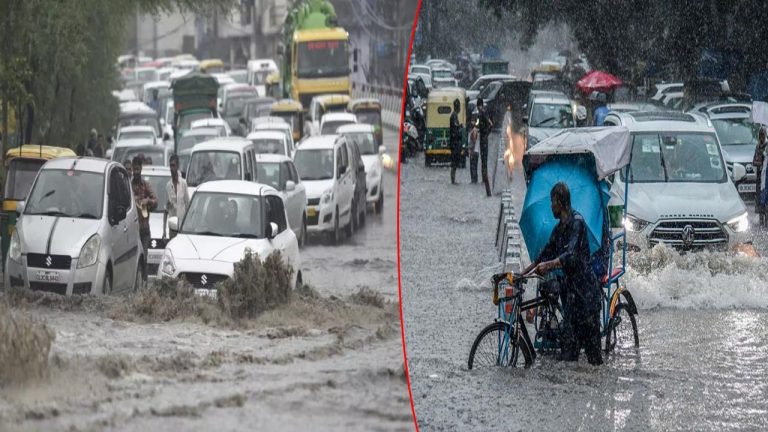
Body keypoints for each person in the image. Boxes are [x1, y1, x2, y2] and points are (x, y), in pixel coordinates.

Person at [522, 182, 603, 366]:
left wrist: (549, 265)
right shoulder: (559, 229)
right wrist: (523, 274)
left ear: (560, 202)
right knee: (568, 357)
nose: (551, 206)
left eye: (552, 202)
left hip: (586, 297)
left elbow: (571, 255)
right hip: (571, 299)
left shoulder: (578, 224)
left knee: (594, 360)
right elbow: (543, 255)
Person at [131, 155, 158, 280]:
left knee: (144, 259)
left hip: (144, 230)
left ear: (141, 169)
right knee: (133, 260)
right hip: (131, 231)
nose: (136, 172)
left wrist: (147, 201)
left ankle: (144, 286)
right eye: (134, 169)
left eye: (137, 169)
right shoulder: (129, 185)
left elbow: (155, 200)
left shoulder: (145, 185)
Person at [163, 154, 190, 239]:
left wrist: (188, 226)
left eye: (173, 165)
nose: (171, 169)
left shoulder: (183, 184)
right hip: (172, 228)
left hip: (182, 227)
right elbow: (165, 210)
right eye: (170, 166)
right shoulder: (168, 186)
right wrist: (164, 231)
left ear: (178, 166)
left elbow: (188, 205)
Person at [476, 97, 494, 196]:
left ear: (479, 105)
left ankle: (485, 178)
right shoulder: (481, 113)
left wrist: (486, 134)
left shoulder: (482, 113)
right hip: (483, 138)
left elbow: (491, 124)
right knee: (483, 159)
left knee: (484, 159)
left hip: (484, 139)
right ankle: (484, 178)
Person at [754, 127, 768, 226]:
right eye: (760, 135)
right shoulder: (758, 146)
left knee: (765, 195)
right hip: (759, 175)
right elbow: (754, 161)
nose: (762, 137)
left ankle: (766, 218)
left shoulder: (767, 146)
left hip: (766, 174)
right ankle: (761, 219)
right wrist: (759, 162)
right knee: (759, 196)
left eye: (763, 135)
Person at [449, 99, 463, 184]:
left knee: (454, 163)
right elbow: (455, 127)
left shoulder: (454, 116)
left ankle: (453, 180)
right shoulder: (454, 116)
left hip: (455, 142)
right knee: (454, 163)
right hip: (454, 143)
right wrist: (459, 127)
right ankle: (453, 181)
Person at [468, 112, 480, 183]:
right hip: (476, 151)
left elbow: (473, 142)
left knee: (473, 168)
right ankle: (474, 181)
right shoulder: (475, 130)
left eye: (473, 121)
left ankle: (474, 181)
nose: (471, 122)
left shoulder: (474, 131)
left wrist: (471, 150)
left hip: (474, 152)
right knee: (474, 167)